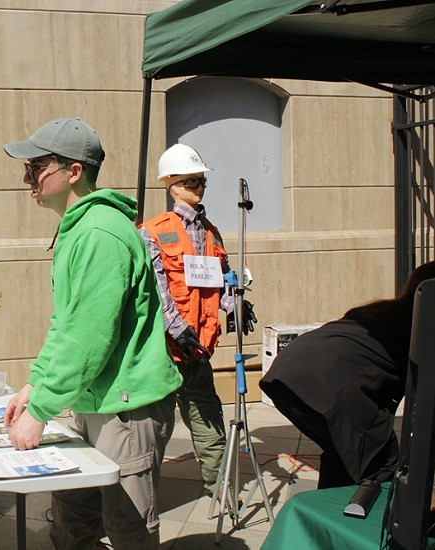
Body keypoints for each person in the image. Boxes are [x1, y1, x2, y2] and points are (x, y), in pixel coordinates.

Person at [2, 117, 183, 549]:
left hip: (126, 409)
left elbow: (88, 338)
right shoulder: (80, 227)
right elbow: (66, 322)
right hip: (93, 400)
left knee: (128, 531)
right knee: (72, 523)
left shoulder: (99, 232)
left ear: (74, 171)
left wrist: (40, 410)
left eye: (37, 167)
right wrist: (35, 382)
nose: (27, 178)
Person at [138, 143, 256, 496]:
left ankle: (221, 490)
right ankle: (138, 501)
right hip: (164, 353)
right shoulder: (153, 231)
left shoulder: (212, 233)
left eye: (201, 180)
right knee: (153, 429)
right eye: (190, 181)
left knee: (209, 421)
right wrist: (176, 329)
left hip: (199, 350)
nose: (198, 187)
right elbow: (155, 289)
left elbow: (220, 281)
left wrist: (235, 305)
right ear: (170, 185)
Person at [259, 261, 435, 489]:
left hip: (286, 374)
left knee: (342, 451)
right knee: (381, 458)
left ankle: (328, 506)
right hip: (330, 384)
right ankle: (369, 510)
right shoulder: (419, 326)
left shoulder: (380, 311)